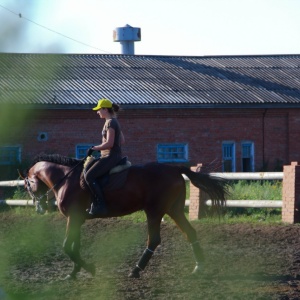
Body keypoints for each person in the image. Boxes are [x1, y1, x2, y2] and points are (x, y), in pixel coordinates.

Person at [84, 98, 125, 215]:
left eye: (99, 110)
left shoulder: (110, 122)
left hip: (110, 156)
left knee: (89, 176)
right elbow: (122, 140)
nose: (97, 112)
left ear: (105, 109)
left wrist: (93, 148)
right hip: (110, 155)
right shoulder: (114, 121)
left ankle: (100, 205)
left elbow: (110, 144)